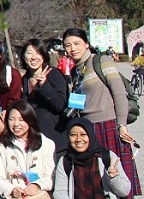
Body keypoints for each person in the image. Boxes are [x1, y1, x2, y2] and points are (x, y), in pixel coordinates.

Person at [61, 28, 140, 197]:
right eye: (68, 45)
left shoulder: (102, 60)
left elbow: (119, 93)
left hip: (109, 125)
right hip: (89, 130)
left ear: (86, 44)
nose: (72, 48)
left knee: (117, 176)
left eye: (76, 43)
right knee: (96, 180)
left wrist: (122, 125)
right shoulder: (76, 71)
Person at [52, 118, 132, 199]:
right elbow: (60, 192)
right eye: (73, 135)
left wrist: (114, 178)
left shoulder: (107, 157)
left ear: (91, 135)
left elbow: (124, 191)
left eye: (83, 134)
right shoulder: (65, 161)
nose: (78, 139)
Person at [0, 101, 55, 199]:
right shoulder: (1, 145)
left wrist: (37, 185)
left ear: (30, 120)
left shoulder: (47, 144)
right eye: (11, 119)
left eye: (21, 120)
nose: (16, 124)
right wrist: (11, 189)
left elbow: (50, 176)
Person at [21, 39, 68, 154]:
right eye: (29, 53)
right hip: (34, 140)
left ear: (43, 55)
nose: (33, 57)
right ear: (23, 56)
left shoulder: (54, 74)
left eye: (38, 53)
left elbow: (59, 105)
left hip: (56, 139)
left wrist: (44, 86)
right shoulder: (24, 79)